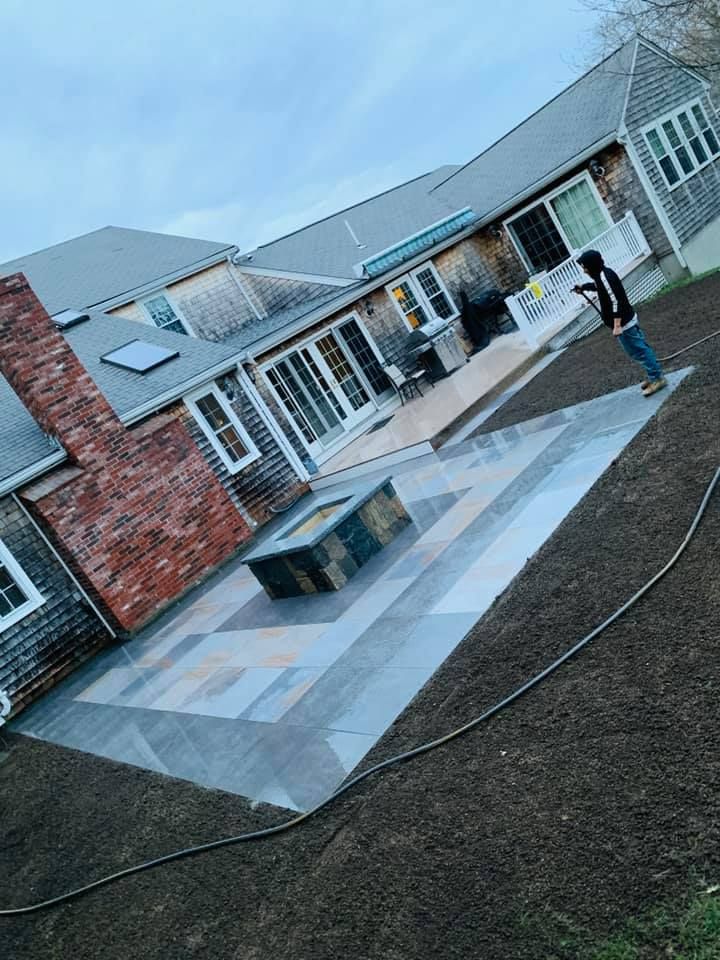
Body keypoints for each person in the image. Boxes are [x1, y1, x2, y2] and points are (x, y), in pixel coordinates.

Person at [573, 250, 666, 397]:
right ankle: (653, 374)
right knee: (636, 351)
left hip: (625, 323)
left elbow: (617, 301)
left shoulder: (605, 276)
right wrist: (583, 287)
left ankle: (657, 379)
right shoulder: (601, 275)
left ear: (592, 265)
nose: (584, 270)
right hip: (624, 322)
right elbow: (598, 286)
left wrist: (617, 325)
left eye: (585, 267)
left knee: (640, 351)